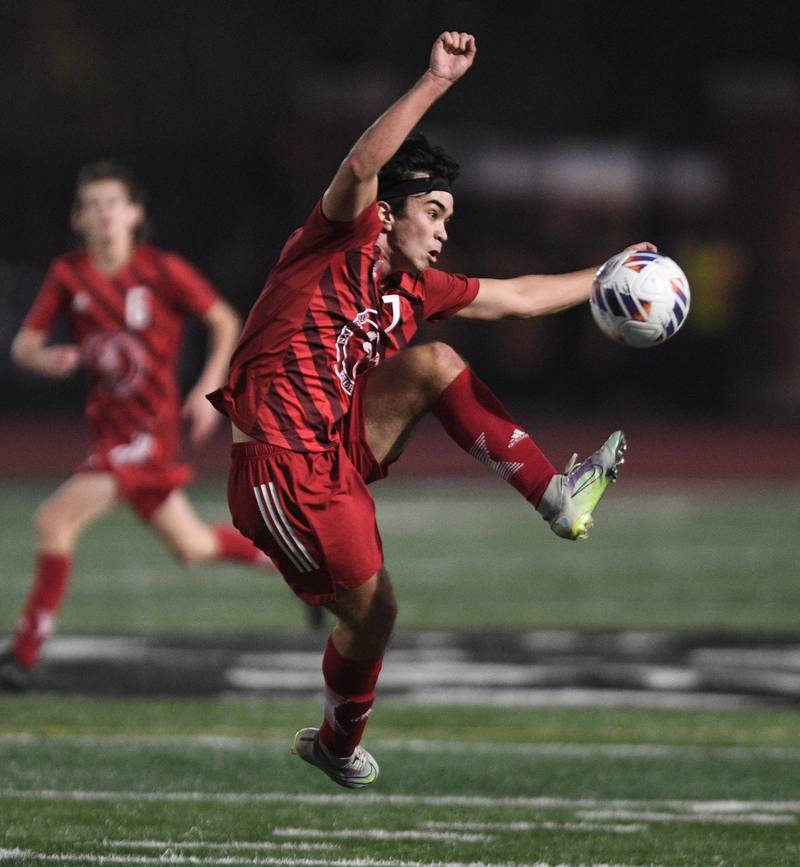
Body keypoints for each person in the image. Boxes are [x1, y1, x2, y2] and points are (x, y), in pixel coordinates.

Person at [208, 31, 653, 789]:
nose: (445, 230)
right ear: (387, 215)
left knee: (436, 365)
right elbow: (359, 166)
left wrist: (607, 272)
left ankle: (557, 496)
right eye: (434, 211)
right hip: (278, 463)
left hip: (335, 446)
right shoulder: (336, 236)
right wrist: (435, 81)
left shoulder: (418, 290)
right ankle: (337, 745)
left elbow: (517, 298)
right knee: (374, 613)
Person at [0, 160, 290, 691]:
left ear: (134, 214)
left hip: (148, 436)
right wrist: (46, 360)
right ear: (77, 219)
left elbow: (225, 320)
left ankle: (24, 651)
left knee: (52, 522)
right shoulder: (70, 275)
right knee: (193, 547)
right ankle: (291, 560)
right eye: (93, 206)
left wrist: (211, 389)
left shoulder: (161, 270)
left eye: (113, 204)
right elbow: (23, 346)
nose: (104, 214)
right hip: (108, 434)